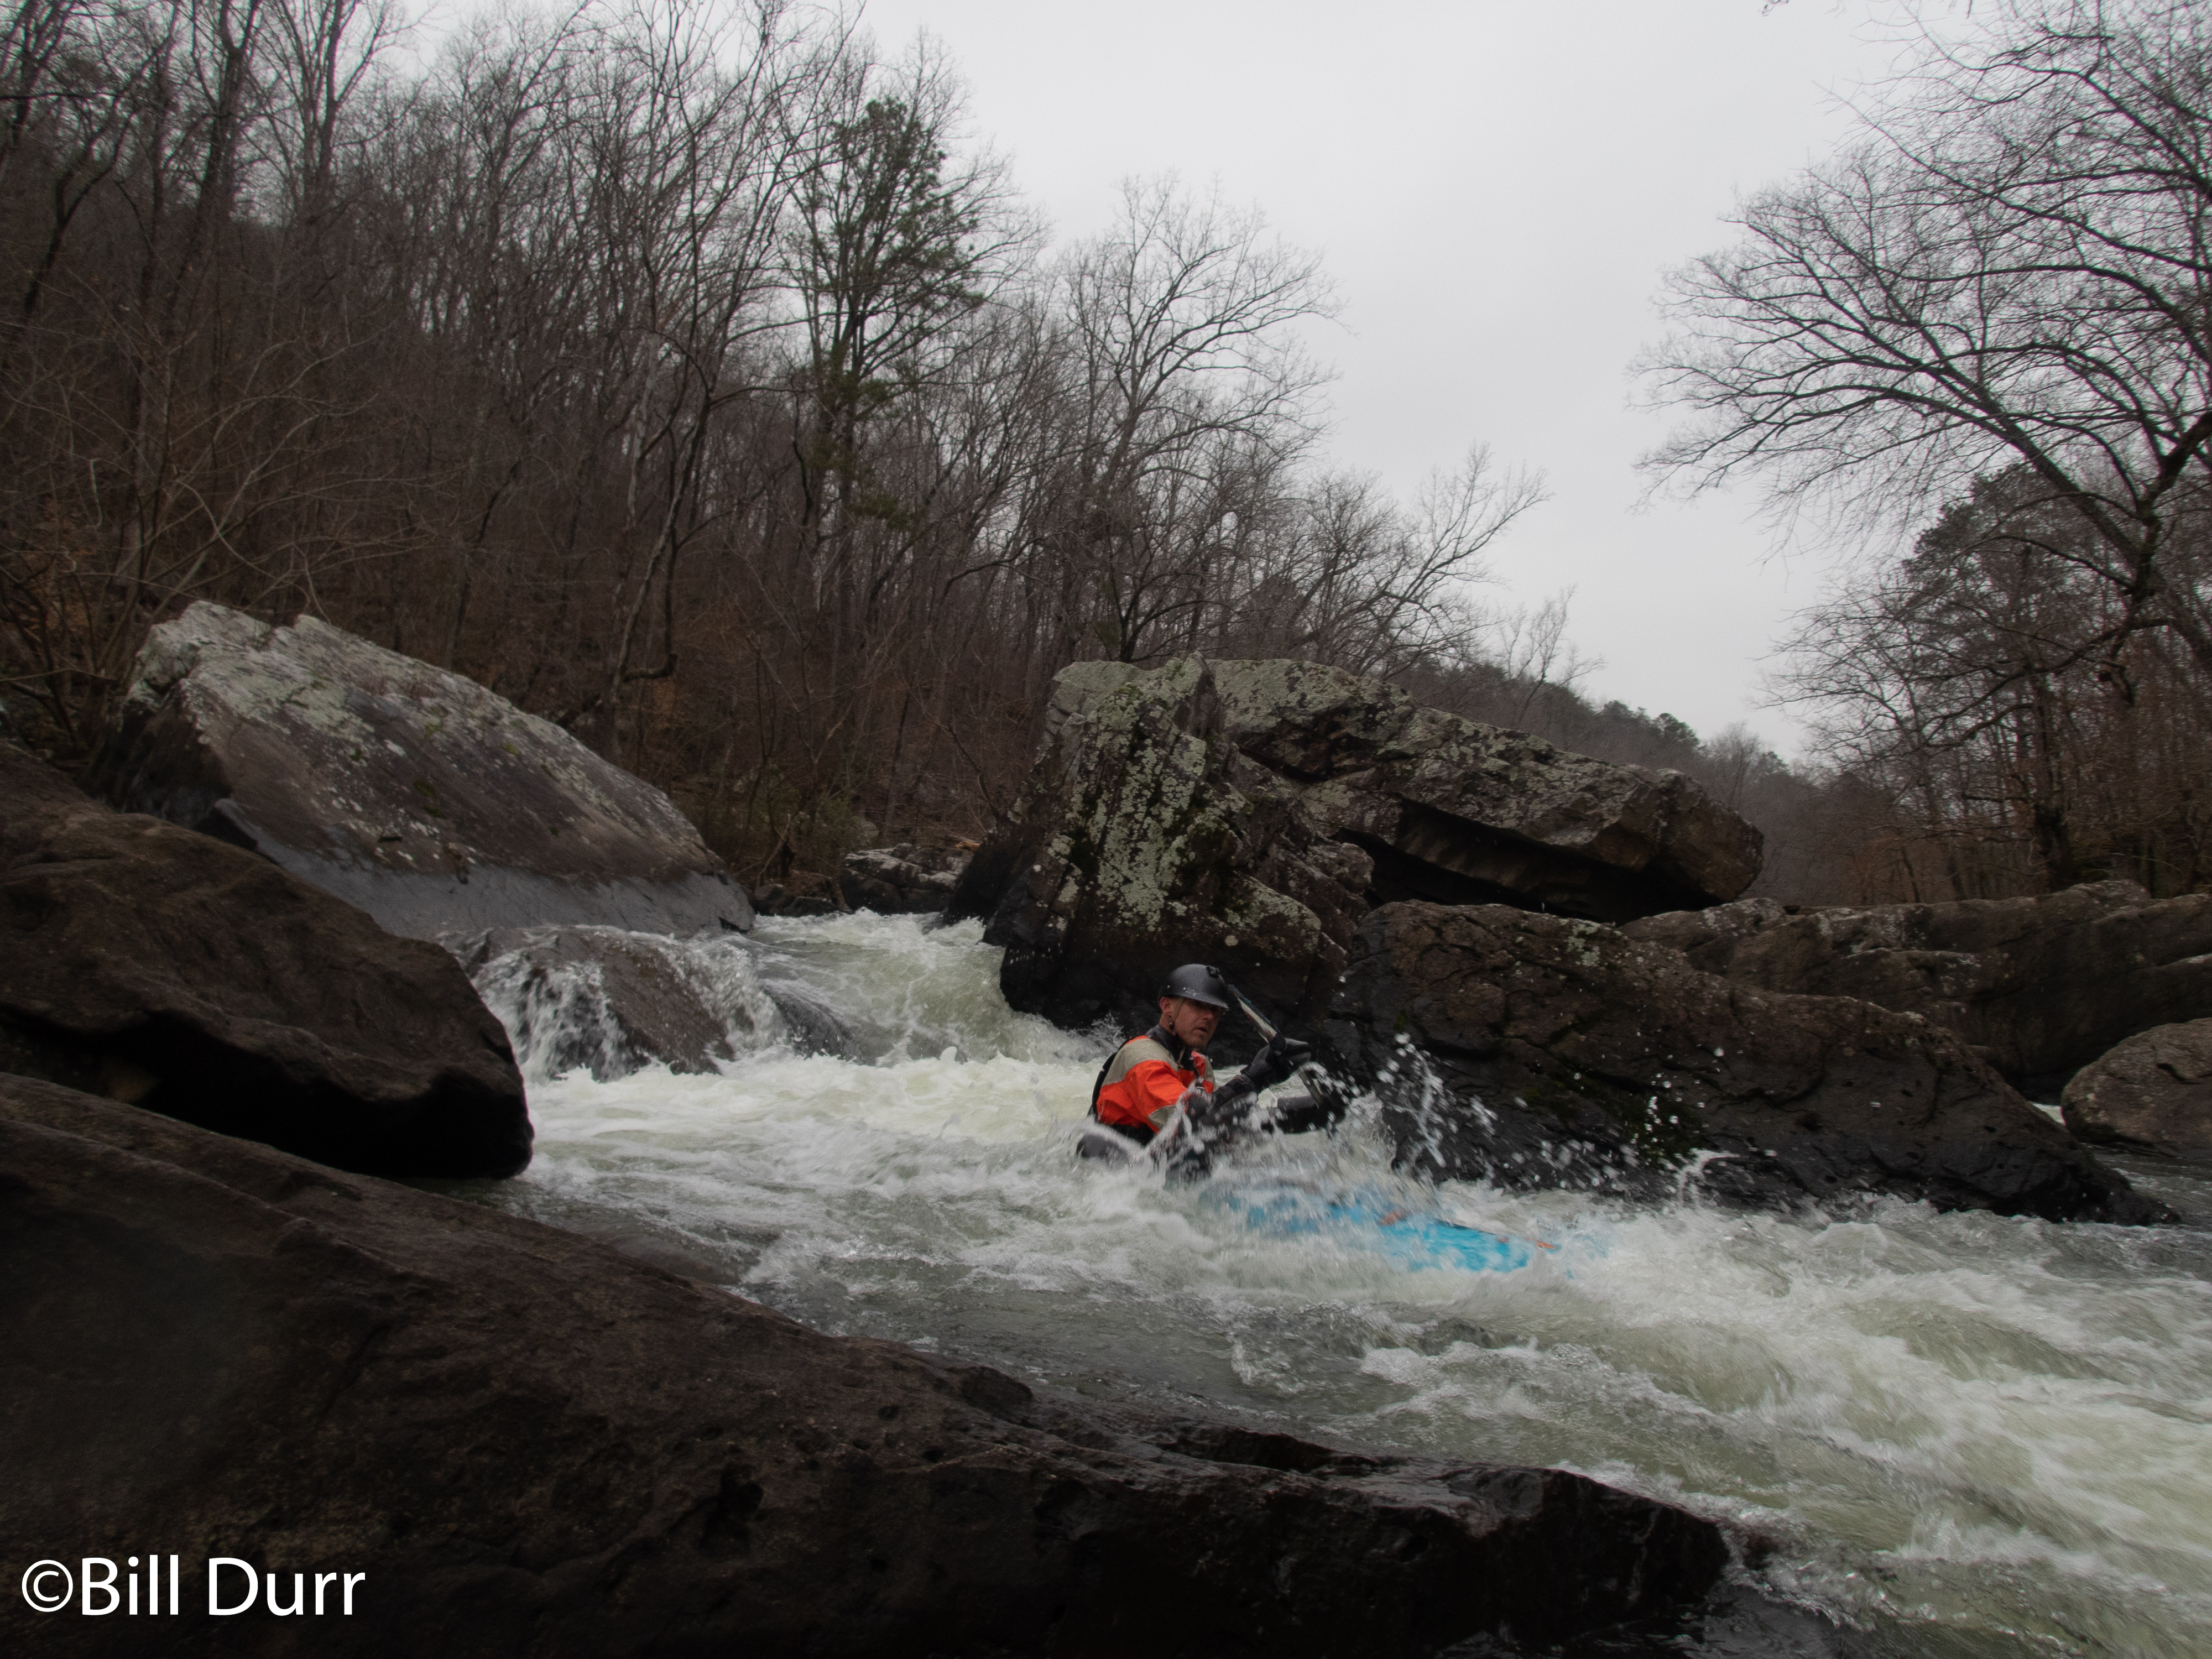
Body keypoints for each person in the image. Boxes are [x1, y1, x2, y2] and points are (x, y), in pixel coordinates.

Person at [1078, 963, 1334, 1167]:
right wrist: (1254, 1079)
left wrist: (1311, 1113)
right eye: (1197, 1005)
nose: (1209, 1016)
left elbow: (1220, 1127)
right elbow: (1192, 1124)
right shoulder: (1143, 1057)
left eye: (1216, 1010)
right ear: (1167, 1006)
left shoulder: (1199, 1066)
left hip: (1156, 1166)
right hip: (1110, 1172)